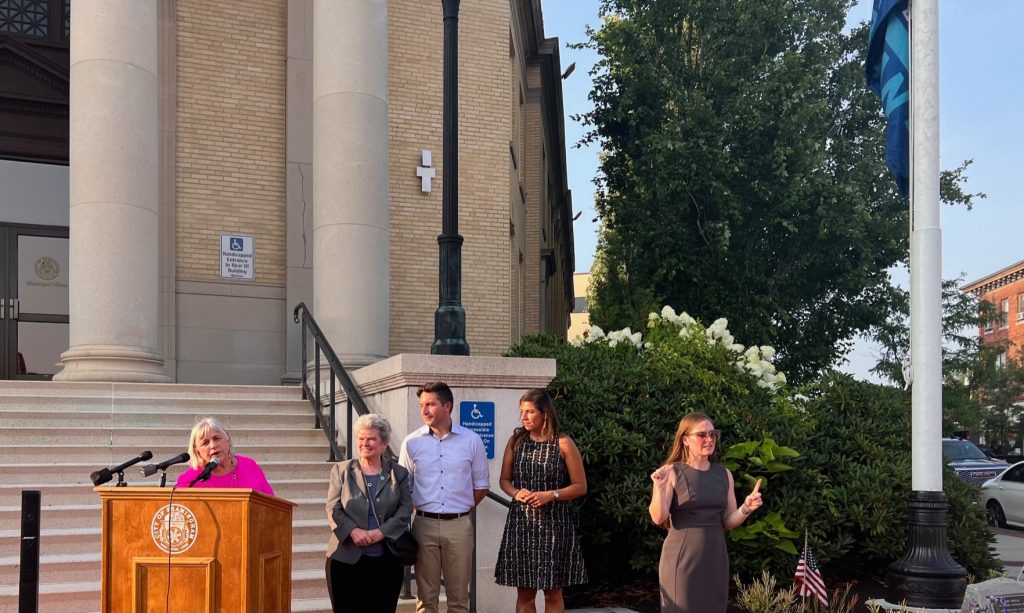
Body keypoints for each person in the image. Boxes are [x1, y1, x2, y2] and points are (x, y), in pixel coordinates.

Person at [649, 412, 763, 613]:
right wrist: (659, 487)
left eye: (713, 434)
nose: (709, 439)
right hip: (682, 560)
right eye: (702, 435)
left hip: (715, 558)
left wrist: (746, 508)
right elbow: (658, 517)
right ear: (685, 440)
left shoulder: (724, 474)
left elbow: (728, 521)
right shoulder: (671, 472)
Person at [399, 381, 490, 613]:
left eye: (431, 404)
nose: (424, 410)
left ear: (447, 406)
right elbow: (404, 488)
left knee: (459, 599)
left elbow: (481, 487)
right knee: (426, 598)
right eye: (421, 405)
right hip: (424, 525)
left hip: (459, 526)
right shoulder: (411, 443)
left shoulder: (472, 441)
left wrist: (459, 508)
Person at [495, 388, 588, 613]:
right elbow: (504, 480)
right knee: (525, 593)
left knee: (552, 593)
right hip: (521, 525)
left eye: (529, 412)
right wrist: (516, 493)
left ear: (544, 413)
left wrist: (551, 495)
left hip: (554, 526)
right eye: (521, 412)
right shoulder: (516, 441)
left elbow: (580, 486)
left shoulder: (563, 443)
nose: (524, 417)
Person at [325, 413, 413, 613]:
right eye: (361, 439)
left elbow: (406, 509)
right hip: (345, 557)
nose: (365, 443)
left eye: (372, 438)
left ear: (384, 444)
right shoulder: (341, 470)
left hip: (386, 559)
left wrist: (380, 532)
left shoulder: (398, 473)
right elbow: (333, 508)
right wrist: (354, 531)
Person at [175, 417, 274, 495]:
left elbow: (272, 504)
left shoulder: (249, 466)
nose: (213, 445)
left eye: (217, 438)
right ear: (197, 451)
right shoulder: (188, 481)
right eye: (205, 443)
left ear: (228, 439)